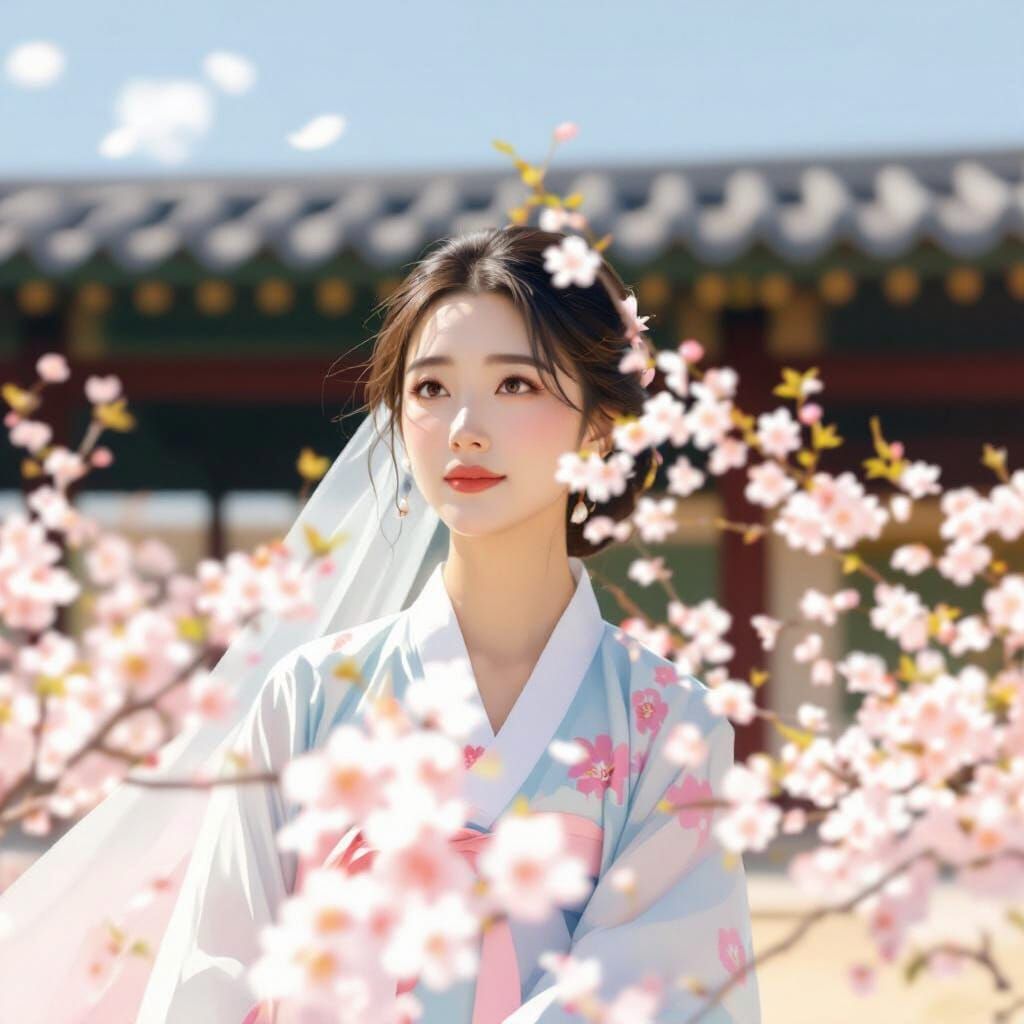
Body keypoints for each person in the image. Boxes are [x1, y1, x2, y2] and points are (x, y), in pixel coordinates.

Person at [0, 225, 761, 1023]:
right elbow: (212, 974)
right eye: (431, 389)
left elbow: (664, 990)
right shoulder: (309, 696)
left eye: (517, 385)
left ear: (600, 426)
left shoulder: (671, 722)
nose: (465, 425)